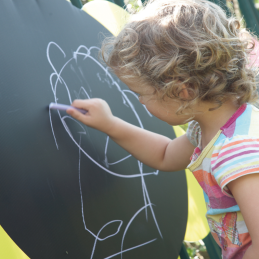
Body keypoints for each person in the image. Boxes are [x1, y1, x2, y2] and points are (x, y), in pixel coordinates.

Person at [67, 0, 259, 258]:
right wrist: (110, 124)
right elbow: (166, 154)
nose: (140, 101)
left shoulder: (238, 154)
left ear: (182, 91)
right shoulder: (211, 128)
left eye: (141, 94)